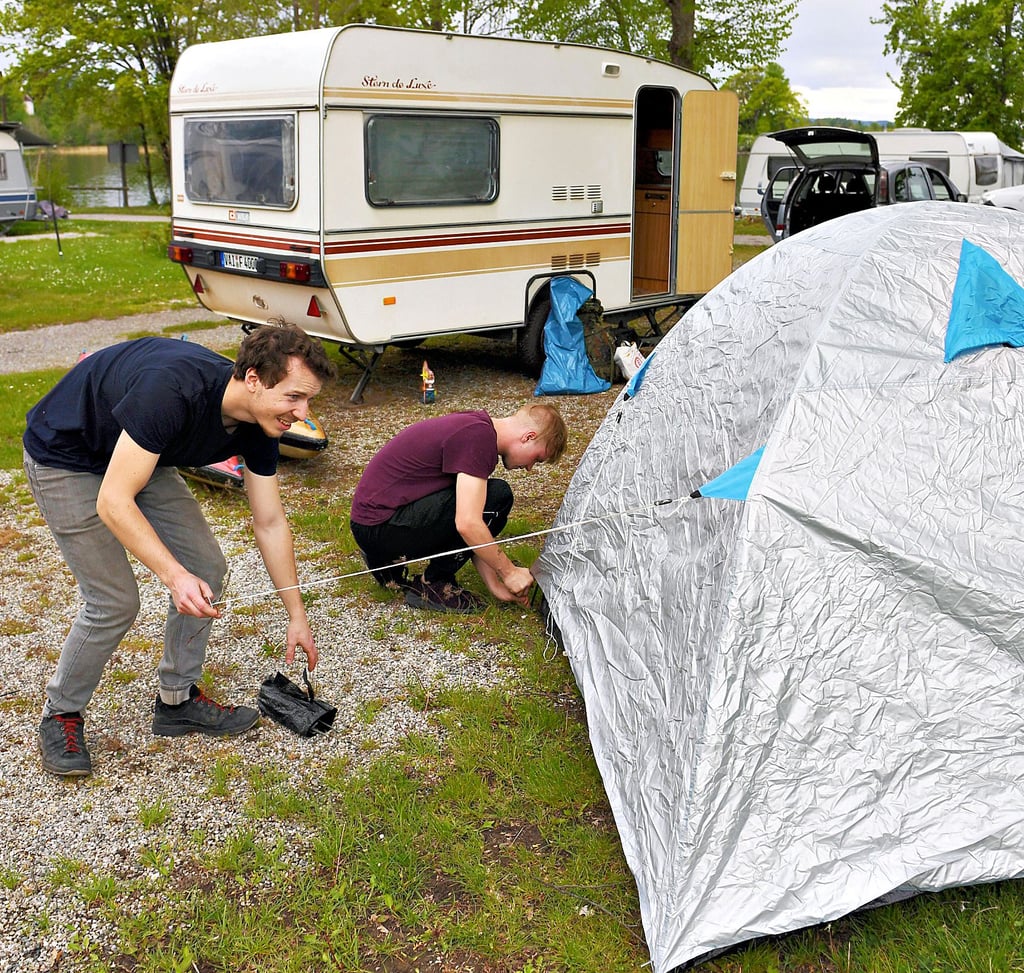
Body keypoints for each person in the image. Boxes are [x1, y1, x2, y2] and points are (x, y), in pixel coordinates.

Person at [23, 324, 337, 778]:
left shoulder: (261, 422)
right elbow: (114, 502)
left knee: (206, 566)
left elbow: (269, 522)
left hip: (142, 453)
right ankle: (61, 713)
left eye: (308, 399)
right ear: (253, 379)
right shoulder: (171, 391)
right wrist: (173, 575)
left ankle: (176, 700)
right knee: (114, 600)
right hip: (65, 456)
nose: (303, 413)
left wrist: (296, 614)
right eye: (294, 397)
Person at [350, 403, 568, 614]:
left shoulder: (477, 427)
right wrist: (509, 572)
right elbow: (468, 523)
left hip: (372, 523)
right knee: (498, 496)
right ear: (528, 437)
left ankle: (388, 562)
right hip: (379, 527)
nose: (529, 468)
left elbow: (475, 519)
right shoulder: (478, 439)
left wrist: (494, 584)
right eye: (537, 459)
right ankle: (434, 583)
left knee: (484, 500)